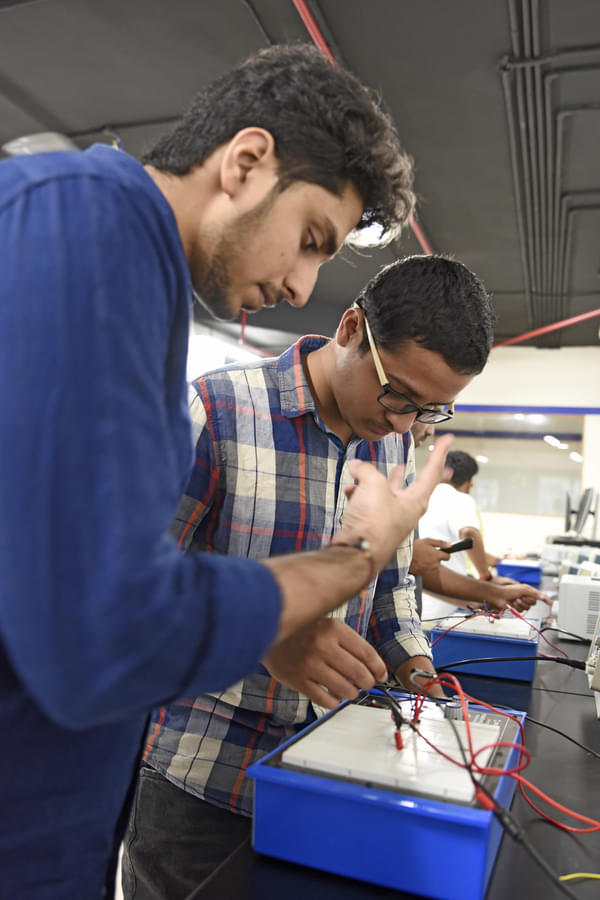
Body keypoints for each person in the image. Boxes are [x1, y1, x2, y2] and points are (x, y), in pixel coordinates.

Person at [0, 43, 448, 900]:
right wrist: (353, 560)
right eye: (312, 238)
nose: (299, 284)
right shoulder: (84, 227)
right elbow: (105, 630)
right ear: (245, 163)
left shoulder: (139, 283)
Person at [121, 254, 494, 899]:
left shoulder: (392, 443)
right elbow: (130, 585)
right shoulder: (217, 408)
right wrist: (261, 633)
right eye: (399, 394)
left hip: (331, 771)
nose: (404, 422)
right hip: (199, 778)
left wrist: (412, 665)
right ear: (352, 328)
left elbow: (389, 581)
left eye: (431, 409)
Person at [410, 425, 550, 616]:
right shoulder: (460, 498)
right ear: (468, 481)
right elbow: (469, 533)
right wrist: (486, 577)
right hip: (445, 605)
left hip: (421, 599)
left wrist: (492, 565)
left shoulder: (422, 496)